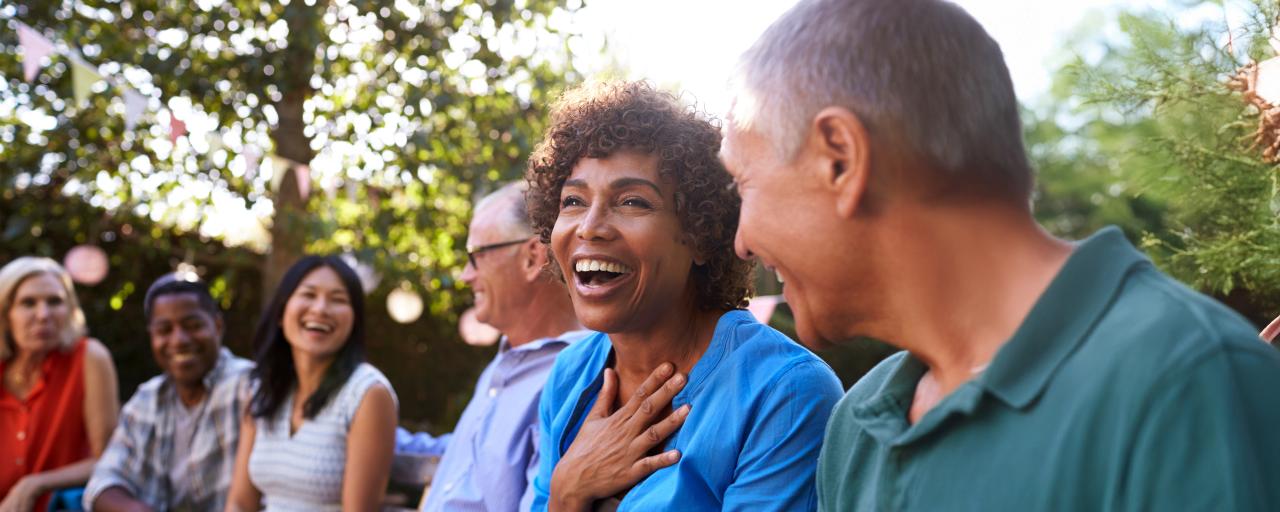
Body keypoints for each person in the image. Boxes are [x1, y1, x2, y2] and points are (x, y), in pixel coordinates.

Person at [719, 0, 1280, 510]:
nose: (740, 241)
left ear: (840, 159)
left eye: (743, 184)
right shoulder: (858, 426)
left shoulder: (1190, 386)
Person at [525, 81, 843, 511]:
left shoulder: (784, 391)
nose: (590, 227)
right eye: (573, 201)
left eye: (633, 202)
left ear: (700, 235)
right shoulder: (569, 376)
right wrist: (568, 490)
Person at [394, 182, 587, 511]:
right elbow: (463, 461)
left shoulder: (576, 377)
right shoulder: (506, 363)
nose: (465, 275)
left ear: (531, 258)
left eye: (475, 256)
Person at [224, 256, 397, 512]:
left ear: (354, 321)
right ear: (282, 313)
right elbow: (239, 502)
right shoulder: (264, 388)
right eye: (308, 294)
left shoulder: (368, 394)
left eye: (338, 299)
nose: (320, 309)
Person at [84, 273, 253, 511]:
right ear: (152, 336)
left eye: (193, 326)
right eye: (164, 330)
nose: (179, 340)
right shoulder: (148, 397)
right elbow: (102, 482)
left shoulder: (248, 386)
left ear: (217, 326)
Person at [0, 257, 119, 512]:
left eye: (54, 302)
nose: (43, 315)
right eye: (28, 303)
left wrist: (33, 485)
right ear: (6, 312)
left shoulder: (89, 358)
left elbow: (109, 460)